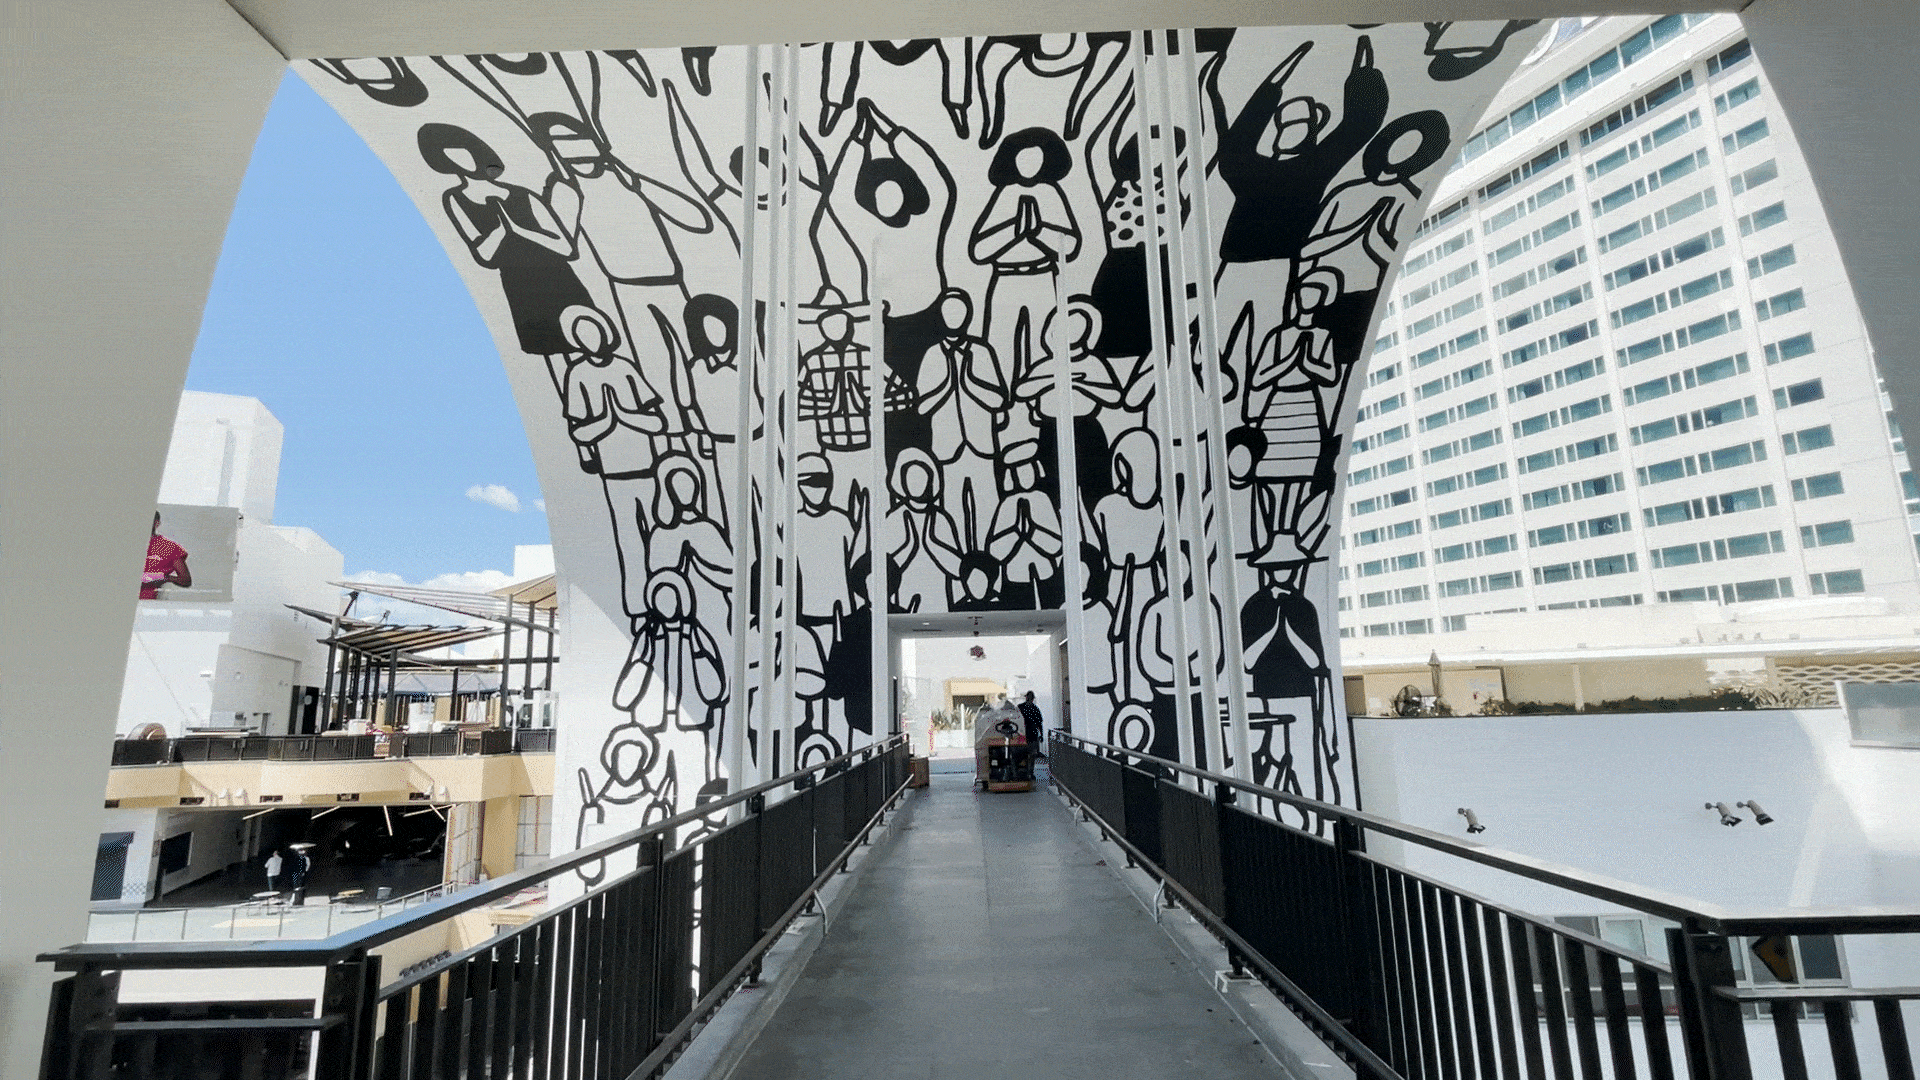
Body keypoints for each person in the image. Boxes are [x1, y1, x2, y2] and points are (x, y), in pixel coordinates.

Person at [141, 512, 192, 599]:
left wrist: (161, 577)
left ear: (156, 523)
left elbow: (185, 580)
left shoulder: (170, 547)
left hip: (149, 604)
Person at [1018, 691, 1046, 758]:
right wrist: (1041, 735)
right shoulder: (1035, 709)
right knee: (1032, 754)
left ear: (1026, 697)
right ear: (1033, 699)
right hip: (1032, 734)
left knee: (1022, 753)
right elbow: (1039, 724)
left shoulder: (1020, 707)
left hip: (1022, 733)